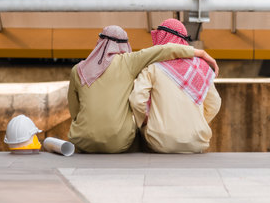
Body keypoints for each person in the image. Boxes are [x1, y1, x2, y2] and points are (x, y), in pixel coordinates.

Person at [67, 25, 218, 153]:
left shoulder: (77, 70)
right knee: (134, 134)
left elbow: (74, 110)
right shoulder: (128, 62)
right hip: (118, 143)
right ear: (124, 44)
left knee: (141, 129)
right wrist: (200, 53)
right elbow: (164, 50)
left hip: (81, 140)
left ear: (99, 42)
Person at [129, 19, 221, 153]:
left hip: (160, 143)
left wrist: (144, 121)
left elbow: (137, 100)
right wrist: (196, 123)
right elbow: (215, 104)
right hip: (198, 142)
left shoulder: (152, 68)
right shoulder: (201, 67)